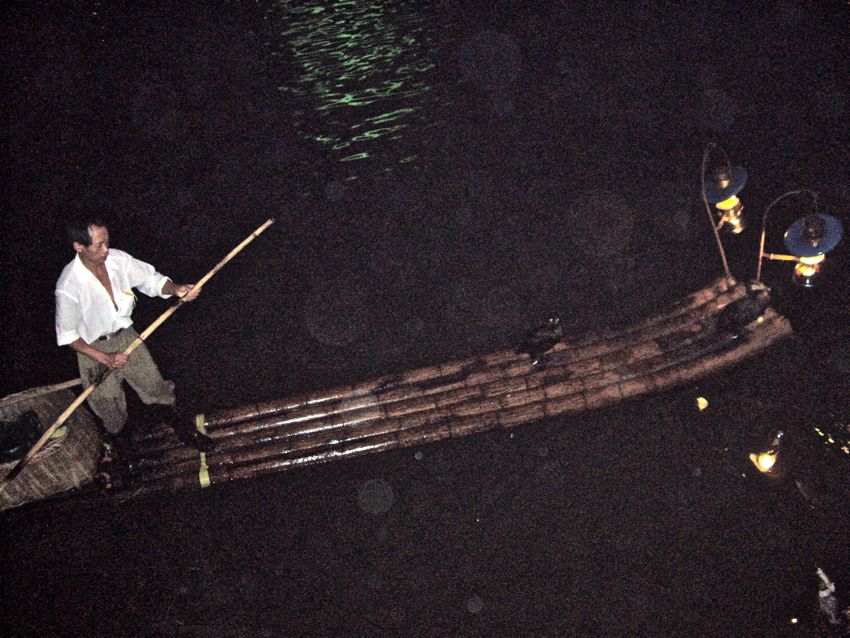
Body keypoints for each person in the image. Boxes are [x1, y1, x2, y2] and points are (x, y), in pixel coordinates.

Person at [55, 213, 215, 460]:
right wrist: (104, 357)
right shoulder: (68, 286)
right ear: (79, 246)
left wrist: (176, 289)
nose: (106, 249)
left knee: (155, 387)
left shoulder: (118, 260)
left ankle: (184, 431)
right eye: (99, 245)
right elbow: (68, 337)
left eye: (106, 241)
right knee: (109, 406)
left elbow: (152, 281)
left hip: (127, 337)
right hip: (93, 349)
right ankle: (125, 452)